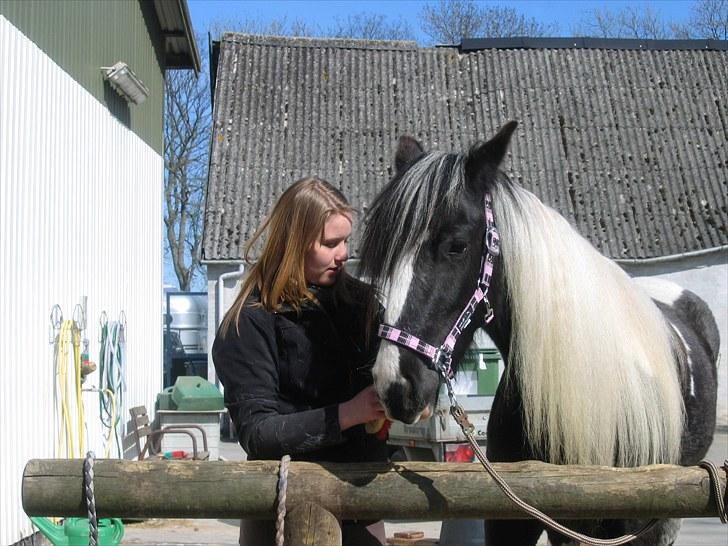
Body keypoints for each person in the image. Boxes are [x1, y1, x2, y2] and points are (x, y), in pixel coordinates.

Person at [212, 177, 388, 546]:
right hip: (278, 508)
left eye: (345, 241)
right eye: (330, 243)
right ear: (294, 244)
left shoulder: (364, 306)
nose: (343, 254)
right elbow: (257, 434)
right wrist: (349, 413)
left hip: (360, 502)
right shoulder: (250, 322)